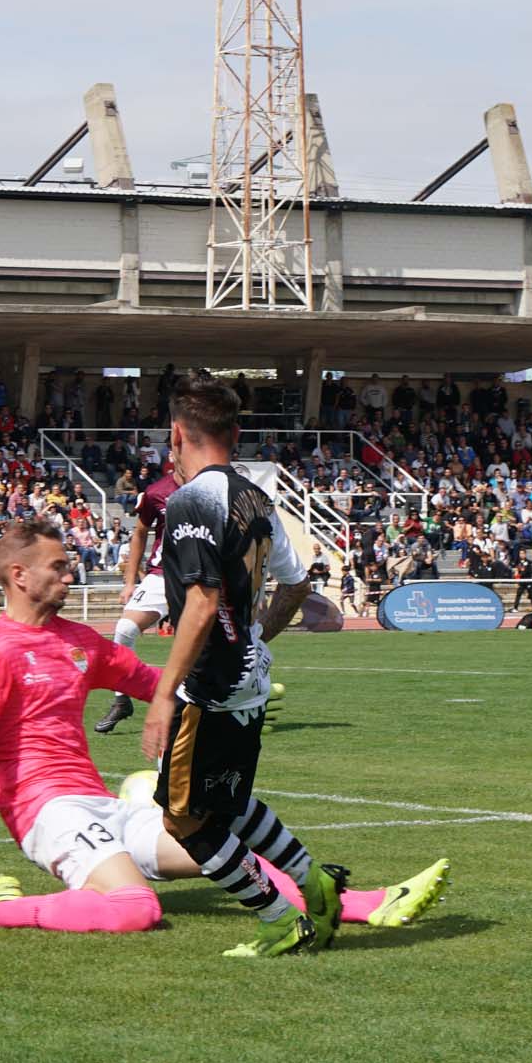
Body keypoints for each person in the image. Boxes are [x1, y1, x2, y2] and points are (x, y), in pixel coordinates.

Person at [0, 518, 451, 939]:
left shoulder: (80, 642)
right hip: (47, 814)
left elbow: (158, 681)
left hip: (105, 807)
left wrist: (230, 704)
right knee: (137, 910)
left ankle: (368, 903)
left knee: (226, 849)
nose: (69, 572)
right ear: (17, 574)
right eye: (58, 566)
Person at [137, 370, 345, 957]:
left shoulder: (190, 500)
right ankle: (312, 879)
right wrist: (256, 634)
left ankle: (278, 918)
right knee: (222, 801)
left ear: (178, 434)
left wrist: (161, 695)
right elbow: (298, 584)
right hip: (250, 677)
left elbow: (201, 603)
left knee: (182, 819)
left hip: (213, 685)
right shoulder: (257, 496)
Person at [93, 462, 178, 735]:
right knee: (124, 628)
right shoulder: (157, 491)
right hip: (162, 574)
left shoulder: (213, 486)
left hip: (201, 577)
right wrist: (130, 582)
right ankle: (121, 699)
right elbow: (140, 532)